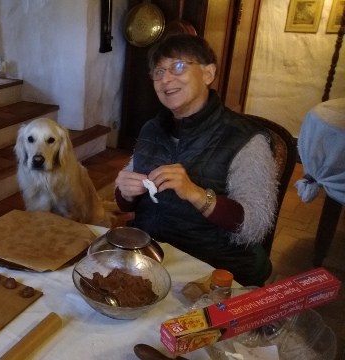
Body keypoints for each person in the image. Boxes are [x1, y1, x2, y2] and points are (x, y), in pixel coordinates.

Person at [114, 34, 277, 286]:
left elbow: (254, 226)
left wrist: (196, 193)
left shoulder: (245, 139)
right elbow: (127, 204)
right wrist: (124, 191)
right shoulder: (152, 129)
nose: (166, 79)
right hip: (149, 256)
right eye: (158, 71)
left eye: (178, 66)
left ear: (208, 74)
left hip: (211, 266)